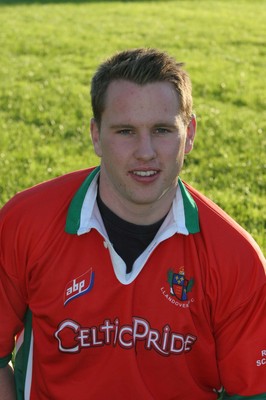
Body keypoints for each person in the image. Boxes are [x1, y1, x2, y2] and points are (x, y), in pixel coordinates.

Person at [0, 48, 265, 400]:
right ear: (96, 134)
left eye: (162, 130)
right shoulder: (26, 221)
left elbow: (251, 392)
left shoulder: (235, 256)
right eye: (125, 131)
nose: (145, 152)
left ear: (190, 135)